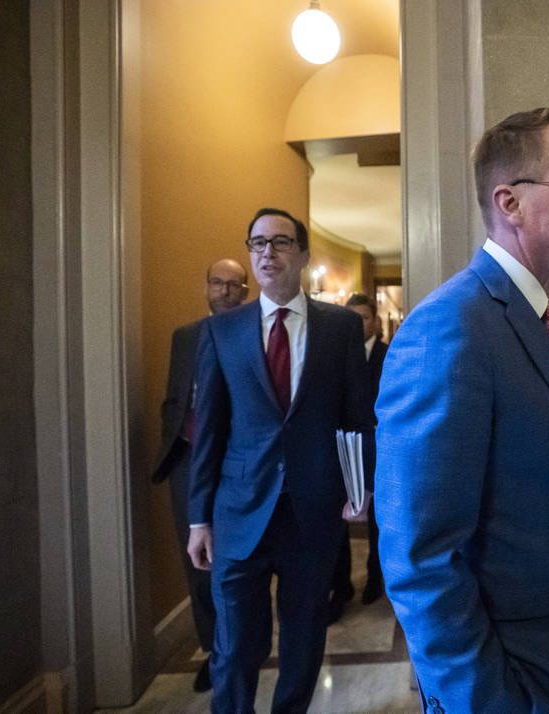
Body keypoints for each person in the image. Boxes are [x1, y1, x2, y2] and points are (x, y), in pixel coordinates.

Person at [375, 106, 549, 713]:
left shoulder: (542, 317)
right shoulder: (449, 330)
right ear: (510, 202)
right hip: (518, 685)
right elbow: (421, 560)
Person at [186, 208, 374, 713]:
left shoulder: (338, 329)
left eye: (281, 243)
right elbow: (210, 433)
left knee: (303, 637)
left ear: (303, 255)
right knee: (234, 646)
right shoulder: (222, 332)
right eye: (258, 243)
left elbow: (356, 417)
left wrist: (362, 490)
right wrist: (199, 517)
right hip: (239, 511)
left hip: (312, 511)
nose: (268, 252)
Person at [152, 258, 249, 692]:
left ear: (245, 291)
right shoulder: (185, 337)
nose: (225, 290)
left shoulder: (257, 334)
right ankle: (215, 651)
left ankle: (243, 642)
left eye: (234, 284)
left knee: (240, 558)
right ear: (205, 288)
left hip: (239, 462)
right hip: (189, 463)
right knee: (198, 564)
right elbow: (176, 396)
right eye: (217, 282)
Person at [327, 293, 388, 622]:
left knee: (378, 520)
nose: (355, 324)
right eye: (349, 317)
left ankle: (374, 578)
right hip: (341, 449)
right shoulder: (330, 357)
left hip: (378, 448)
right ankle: (342, 586)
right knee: (338, 522)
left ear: (375, 322)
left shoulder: (388, 354)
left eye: (362, 318)